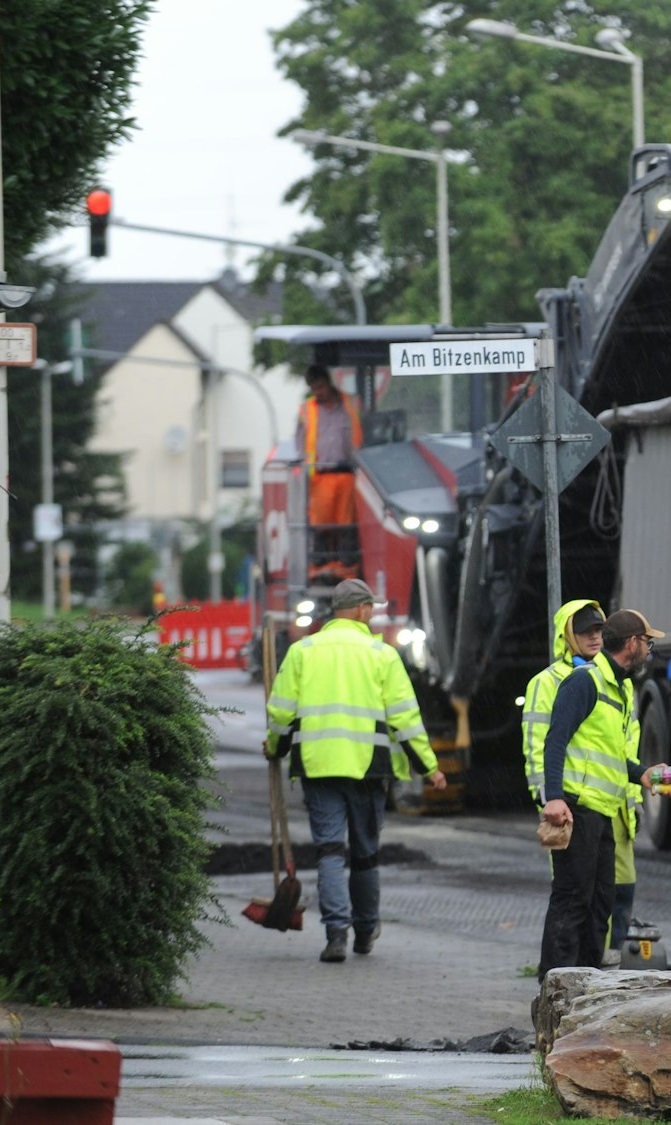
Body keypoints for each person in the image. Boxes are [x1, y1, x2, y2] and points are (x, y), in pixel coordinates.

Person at [266, 578, 446, 962]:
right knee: (365, 854)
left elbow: (281, 712)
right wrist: (428, 768)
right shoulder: (381, 654)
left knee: (330, 851)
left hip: (317, 766)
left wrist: (275, 747)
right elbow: (405, 718)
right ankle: (365, 930)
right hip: (368, 768)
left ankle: (336, 935)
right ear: (363, 609)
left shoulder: (303, 651)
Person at [534, 609, 666, 976]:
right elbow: (555, 741)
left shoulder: (619, 687)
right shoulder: (584, 682)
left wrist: (643, 775)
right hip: (577, 809)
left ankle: (586, 989)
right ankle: (556, 988)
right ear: (631, 644)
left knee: (599, 904)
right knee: (572, 901)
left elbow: (609, 756)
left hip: (603, 811)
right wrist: (555, 797)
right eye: (647, 642)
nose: (650, 650)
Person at [294, 364, 362, 579]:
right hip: (320, 475)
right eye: (314, 388)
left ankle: (347, 564)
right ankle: (321, 565)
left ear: (329, 383)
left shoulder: (350, 404)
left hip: (347, 473)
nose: (319, 392)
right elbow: (300, 443)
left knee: (346, 523)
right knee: (321, 523)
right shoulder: (307, 410)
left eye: (321, 387)